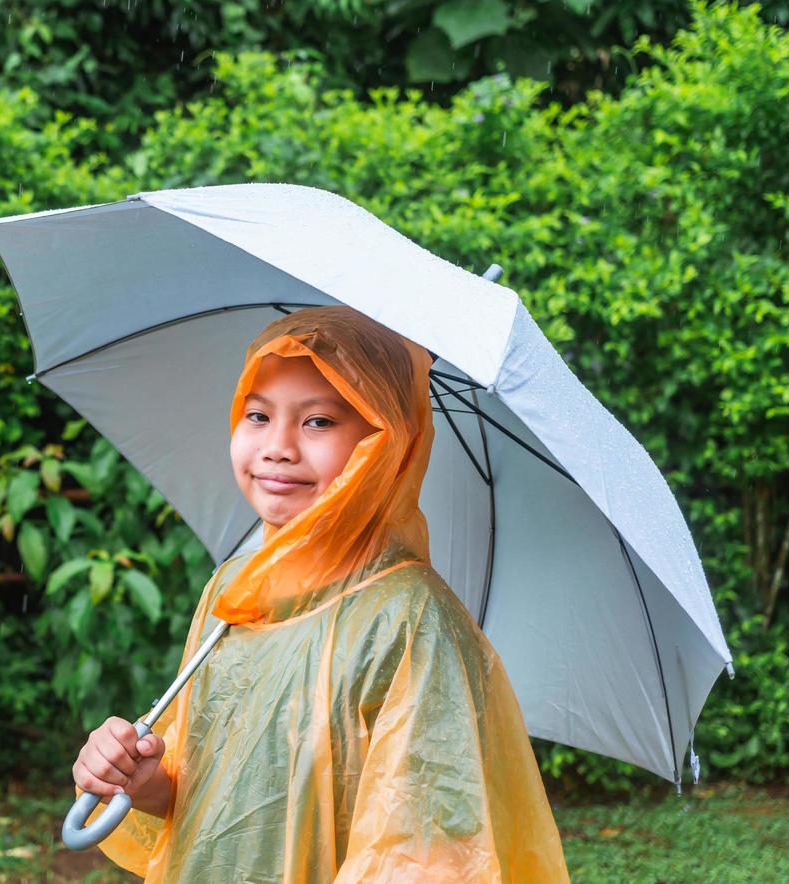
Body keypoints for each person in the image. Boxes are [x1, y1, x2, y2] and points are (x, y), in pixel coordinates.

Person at [70, 305, 569, 882]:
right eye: (257, 415)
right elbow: (209, 796)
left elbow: (427, 849)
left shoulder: (408, 621)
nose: (277, 446)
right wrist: (140, 779)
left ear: (383, 446)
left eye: (319, 422)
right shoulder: (233, 589)